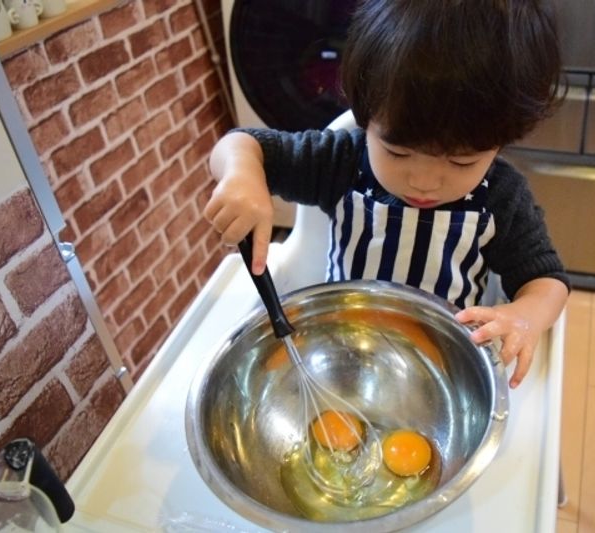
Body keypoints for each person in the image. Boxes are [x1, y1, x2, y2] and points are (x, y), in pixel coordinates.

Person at [203, 0, 570, 389]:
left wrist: (524, 316)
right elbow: (243, 144)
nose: (425, 181)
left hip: (440, 365)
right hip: (343, 346)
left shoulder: (500, 197)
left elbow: (546, 279)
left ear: (500, 144)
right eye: (398, 152)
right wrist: (242, 174)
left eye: (462, 162)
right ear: (366, 117)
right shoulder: (342, 162)